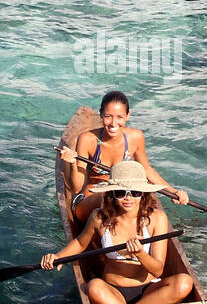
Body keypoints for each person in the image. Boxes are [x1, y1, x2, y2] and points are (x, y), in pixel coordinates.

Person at [42, 160, 193, 304]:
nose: (128, 198)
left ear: (143, 194)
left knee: (184, 283)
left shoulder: (156, 219)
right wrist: (58, 257)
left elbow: (157, 270)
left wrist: (139, 253)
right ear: (112, 194)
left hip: (149, 293)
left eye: (135, 192)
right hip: (114, 292)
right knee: (93, 287)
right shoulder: (99, 217)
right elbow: (80, 244)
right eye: (121, 193)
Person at [61, 89, 189, 225]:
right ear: (101, 115)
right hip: (90, 202)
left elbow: (146, 170)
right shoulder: (87, 139)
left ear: (128, 115)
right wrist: (73, 164)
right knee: (110, 196)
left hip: (123, 200)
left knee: (150, 206)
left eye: (120, 117)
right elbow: (76, 188)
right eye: (108, 116)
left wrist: (173, 192)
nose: (113, 123)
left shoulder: (135, 137)